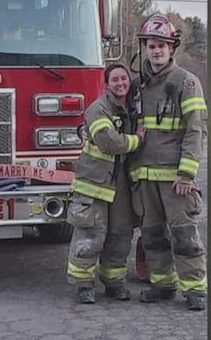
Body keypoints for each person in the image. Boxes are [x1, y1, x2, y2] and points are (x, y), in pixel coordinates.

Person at [129, 13, 208, 310]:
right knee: (152, 237)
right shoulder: (137, 85)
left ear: (172, 48)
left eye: (162, 45)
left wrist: (187, 174)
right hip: (146, 178)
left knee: (185, 236)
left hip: (176, 180)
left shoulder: (187, 83)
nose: (156, 50)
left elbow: (195, 130)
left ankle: (194, 289)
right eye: (151, 45)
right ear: (145, 48)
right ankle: (162, 285)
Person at [67, 64, 146, 304]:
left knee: (120, 235)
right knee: (91, 234)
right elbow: (108, 142)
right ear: (107, 84)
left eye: (124, 78)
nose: (121, 83)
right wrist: (138, 139)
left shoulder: (134, 109)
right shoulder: (97, 109)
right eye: (115, 80)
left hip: (122, 182)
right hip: (94, 182)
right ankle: (84, 284)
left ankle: (114, 282)